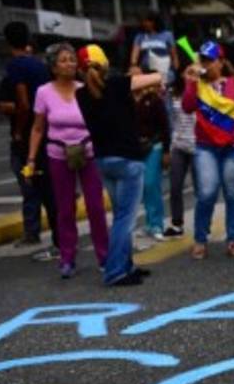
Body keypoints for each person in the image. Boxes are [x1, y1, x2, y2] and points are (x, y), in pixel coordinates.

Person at [74, 45, 164, 286]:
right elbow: (156, 77)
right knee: (125, 218)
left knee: (120, 215)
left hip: (103, 161)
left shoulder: (81, 95)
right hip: (128, 160)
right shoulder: (117, 84)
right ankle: (115, 271)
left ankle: (127, 266)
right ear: (104, 64)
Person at [25, 43, 109, 280]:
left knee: (95, 206)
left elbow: (99, 121)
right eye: (63, 60)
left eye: (72, 59)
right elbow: (38, 128)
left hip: (88, 151)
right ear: (53, 66)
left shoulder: (85, 88)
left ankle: (104, 256)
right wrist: (31, 160)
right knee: (65, 209)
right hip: (58, 154)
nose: (70, 64)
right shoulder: (43, 92)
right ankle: (67, 258)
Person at [181, 41, 234, 259]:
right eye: (202, 60)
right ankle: (200, 239)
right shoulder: (197, 85)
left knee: (233, 193)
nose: (205, 64)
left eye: (210, 60)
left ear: (221, 62)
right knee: (206, 192)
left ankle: (233, 240)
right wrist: (190, 83)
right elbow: (187, 107)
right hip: (206, 147)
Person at [0, 21, 56, 260]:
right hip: (46, 133)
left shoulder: (16, 66)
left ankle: (33, 231)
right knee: (43, 185)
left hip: (28, 137)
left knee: (28, 180)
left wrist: (19, 131)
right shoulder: (40, 65)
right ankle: (52, 234)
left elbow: (23, 104)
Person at [132, 68, 171, 242]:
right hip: (135, 148)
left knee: (151, 183)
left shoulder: (154, 100)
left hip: (154, 145)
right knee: (142, 187)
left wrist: (166, 150)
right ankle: (149, 223)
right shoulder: (125, 100)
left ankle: (157, 224)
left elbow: (165, 127)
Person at [165, 66, 199, 239]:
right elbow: (170, 119)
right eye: (189, 73)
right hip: (178, 146)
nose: (192, 76)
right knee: (175, 186)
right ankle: (177, 224)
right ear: (181, 74)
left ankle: (202, 224)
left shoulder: (202, 91)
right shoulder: (172, 93)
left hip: (198, 146)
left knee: (200, 189)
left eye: (195, 73)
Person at [130, 12, 179, 88]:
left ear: (154, 22)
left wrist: (175, 70)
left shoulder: (167, 35)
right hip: (146, 72)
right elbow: (135, 54)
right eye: (143, 21)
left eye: (147, 21)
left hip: (164, 71)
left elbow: (174, 55)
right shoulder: (140, 37)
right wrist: (134, 65)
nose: (145, 23)